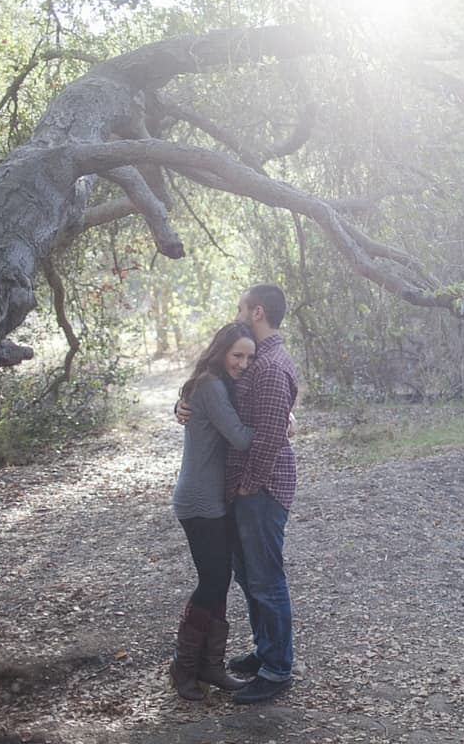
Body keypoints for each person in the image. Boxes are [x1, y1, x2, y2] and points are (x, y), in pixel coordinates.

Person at [180, 284, 300, 704]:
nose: (238, 314)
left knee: (266, 580)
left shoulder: (268, 366)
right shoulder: (257, 360)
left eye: (241, 308)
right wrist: (183, 403)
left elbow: (266, 438)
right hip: (242, 489)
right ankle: (265, 651)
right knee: (251, 579)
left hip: (260, 489)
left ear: (258, 312)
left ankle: (277, 669)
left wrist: (251, 483)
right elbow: (218, 397)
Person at [170, 321, 257, 701]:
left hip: (213, 499)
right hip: (198, 500)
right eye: (237, 355)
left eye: (250, 357)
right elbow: (239, 436)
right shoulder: (209, 385)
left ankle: (211, 665)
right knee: (213, 579)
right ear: (222, 351)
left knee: (218, 579)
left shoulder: (218, 384)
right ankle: (183, 666)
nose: (243, 363)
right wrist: (278, 425)